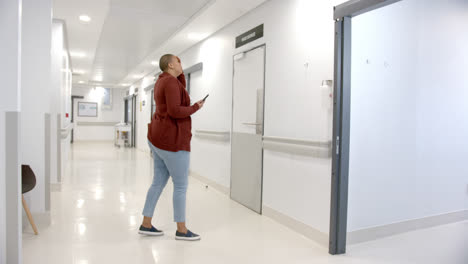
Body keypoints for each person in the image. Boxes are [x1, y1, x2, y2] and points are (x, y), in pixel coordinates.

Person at [139, 54, 204, 241]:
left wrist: (181, 76)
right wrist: (195, 107)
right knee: (181, 185)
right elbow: (176, 111)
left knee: (158, 181)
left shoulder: (163, 81)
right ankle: (182, 230)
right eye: (179, 61)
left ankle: (146, 223)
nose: (181, 63)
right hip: (172, 141)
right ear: (170, 64)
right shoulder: (170, 83)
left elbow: (180, 90)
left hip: (158, 138)